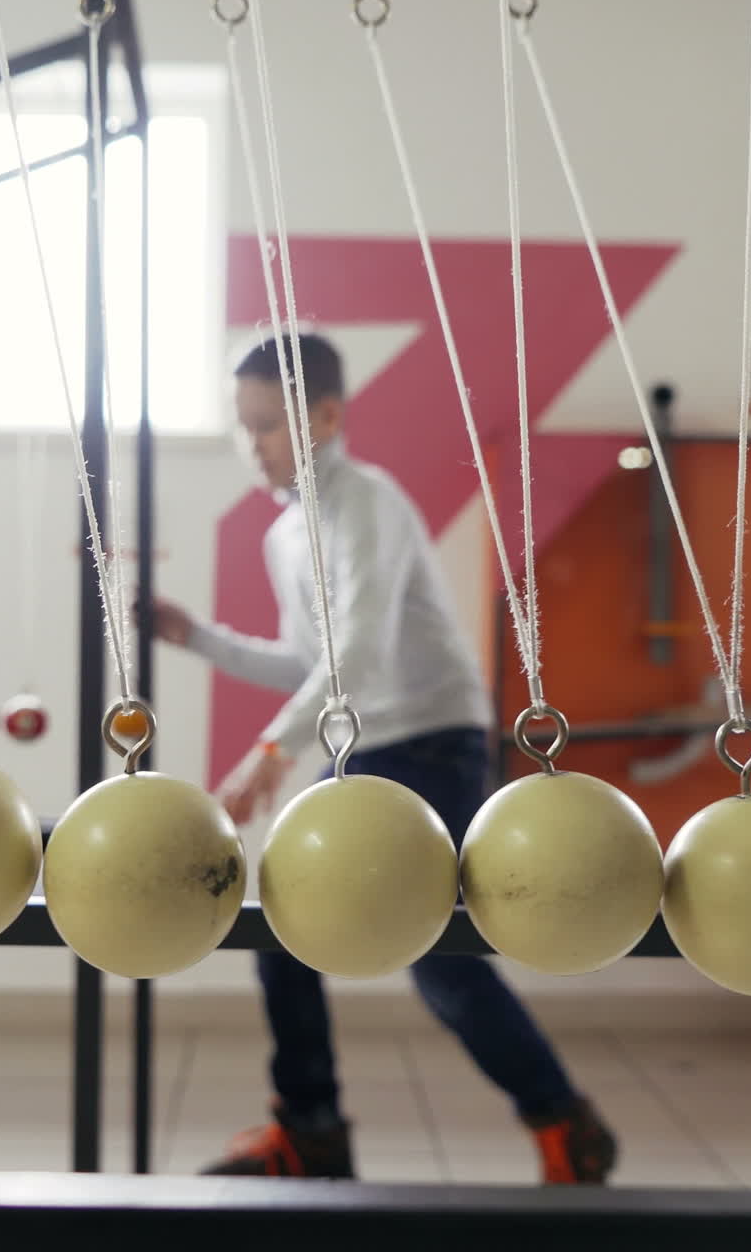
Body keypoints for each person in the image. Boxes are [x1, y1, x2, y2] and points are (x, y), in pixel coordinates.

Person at [151, 332, 617, 1184]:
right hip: (367, 743)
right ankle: (313, 1130)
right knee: (288, 925)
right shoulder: (285, 534)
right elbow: (313, 665)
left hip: (433, 740)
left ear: (327, 417)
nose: (253, 444)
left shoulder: (368, 503)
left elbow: (358, 653)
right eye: (244, 425)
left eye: (269, 425)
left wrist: (270, 752)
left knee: (439, 958)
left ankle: (565, 1125)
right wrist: (198, 638)